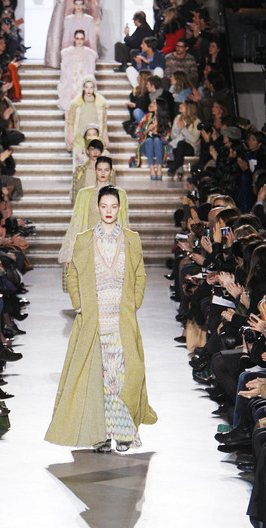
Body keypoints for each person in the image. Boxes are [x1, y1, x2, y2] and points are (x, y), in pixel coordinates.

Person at [46, 185, 157, 451]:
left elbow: (140, 274)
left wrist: (134, 303)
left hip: (122, 321)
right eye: (104, 206)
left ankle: (124, 432)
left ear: (120, 208)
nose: (108, 211)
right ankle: (102, 435)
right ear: (97, 207)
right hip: (93, 322)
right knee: (99, 380)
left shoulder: (131, 239)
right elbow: (73, 274)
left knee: (123, 378)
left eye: (113, 206)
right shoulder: (84, 239)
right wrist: (79, 304)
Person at [58, 157, 128, 290]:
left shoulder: (120, 194)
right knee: (88, 288)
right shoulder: (84, 194)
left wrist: (126, 253)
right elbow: (76, 224)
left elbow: (124, 223)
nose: (103, 173)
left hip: (111, 247)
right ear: (95, 171)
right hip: (89, 246)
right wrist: (69, 253)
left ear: (111, 171)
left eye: (106, 170)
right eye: (99, 170)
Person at [66, 75, 109, 166]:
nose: (89, 90)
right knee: (79, 164)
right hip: (79, 138)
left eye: (91, 87)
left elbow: (104, 123)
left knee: (95, 164)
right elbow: (70, 122)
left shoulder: (101, 104)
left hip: (95, 137)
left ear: (94, 88)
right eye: (86, 87)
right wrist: (70, 134)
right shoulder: (76, 104)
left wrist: (105, 136)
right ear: (83, 88)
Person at [130, 98, 171, 180]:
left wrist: (158, 134)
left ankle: (159, 168)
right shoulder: (147, 117)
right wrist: (148, 129)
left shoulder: (166, 121)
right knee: (149, 140)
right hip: (146, 147)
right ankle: (152, 168)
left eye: (154, 103)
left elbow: (166, 138)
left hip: (159, 148)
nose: (151, 104)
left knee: (156, 140)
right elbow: (138, 133)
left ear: (159, 106)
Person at [58, 29, 97, 112]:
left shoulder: (90, 54)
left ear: (84, 39)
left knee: (82, 108)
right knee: (69, 108)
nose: (79, 41)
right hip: (71, 83)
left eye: (81, 39)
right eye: (77, 38)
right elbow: (64, 71)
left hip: (82, 83)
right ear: (74, 39)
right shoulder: (67, 53)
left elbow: (91, 72)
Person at [167, 100, 201, 179]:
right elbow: (173, 136)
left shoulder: (197, 122)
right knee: (178, 146)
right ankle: (179, 167)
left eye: (182, 105)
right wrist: (178, 129)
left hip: (191, 148)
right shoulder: (178, 118)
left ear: (188, 108)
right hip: (177, 147)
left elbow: (194, 140)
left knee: (181, 144)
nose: (180, 106)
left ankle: (174, 166)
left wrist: (183, 129)